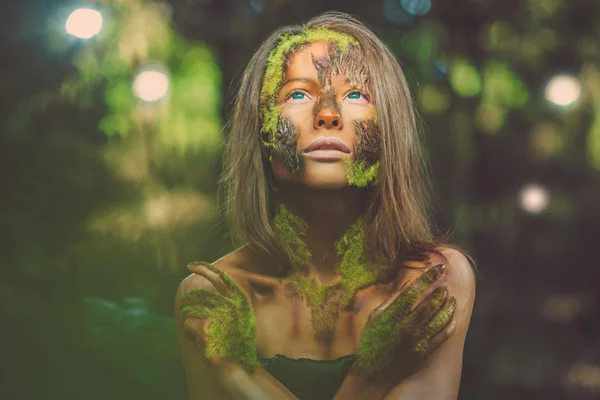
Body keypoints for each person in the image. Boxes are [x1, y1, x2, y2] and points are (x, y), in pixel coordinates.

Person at [174, 11, 476, 400]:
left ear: (390, 129)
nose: (328, 114)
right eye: (297, 94)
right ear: (261, 131)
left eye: (356, 95)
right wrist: (371, 379)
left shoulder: (431, 282)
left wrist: (240, 376)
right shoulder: (213, 298)